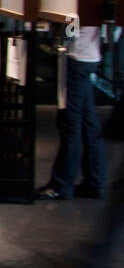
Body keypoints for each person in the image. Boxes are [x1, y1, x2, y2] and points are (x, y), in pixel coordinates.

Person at [36, 26, 107, 200]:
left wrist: (57, 40)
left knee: (71, 124)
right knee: (88, 123)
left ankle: (61, 184)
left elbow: (69, 28)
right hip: (91, 56)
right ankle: (95, 182)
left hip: (75, 59)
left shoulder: (80, 1)